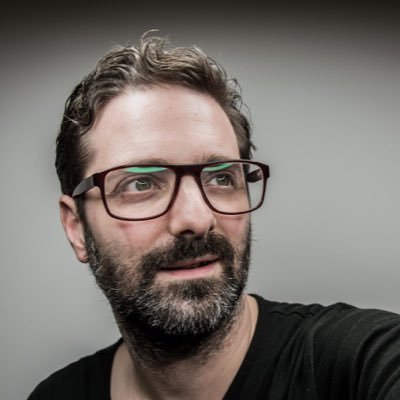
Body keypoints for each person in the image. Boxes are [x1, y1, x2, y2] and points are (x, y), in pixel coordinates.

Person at [28, 33, 400, 400]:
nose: (196, 218)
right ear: (77, 227)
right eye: (140, 183)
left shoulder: (363, 363)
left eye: (221, 178)